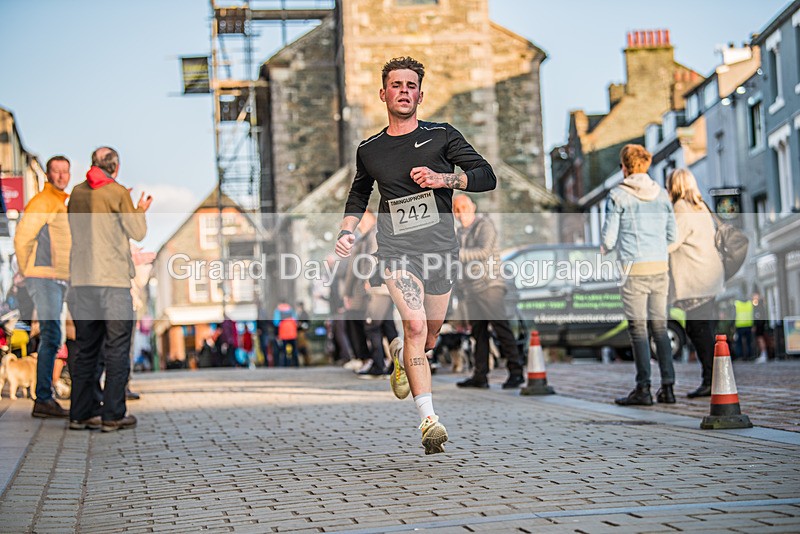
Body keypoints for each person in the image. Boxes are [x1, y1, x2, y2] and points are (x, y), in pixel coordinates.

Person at [334, 56, 496, 454]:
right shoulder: (370, 149)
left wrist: (444, 178)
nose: (404, 91)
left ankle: (399, 355)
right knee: (415, 326)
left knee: (430, 334)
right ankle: (429, 420)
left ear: (420, 95)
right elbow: (359, 193)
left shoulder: (442, 135)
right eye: (397, 85)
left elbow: (486, 176)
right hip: (396, 251)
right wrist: (347, 231)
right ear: (383, 93)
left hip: (440, 251)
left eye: (411, 86)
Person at [67, 147, 151, 431]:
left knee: (86, 348)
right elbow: (137, 231)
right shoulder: (117, 192)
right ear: (115, 167)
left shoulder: (76, 193)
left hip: (81, 281)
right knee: (117, 347)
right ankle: (113, 414)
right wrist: (139, 209)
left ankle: (81, 413)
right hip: (112, 282)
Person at [601, 144, 676, 406]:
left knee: (639, 330)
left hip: (633, 270)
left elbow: (609, 239)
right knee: (660, 328)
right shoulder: (662, 195)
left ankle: (643, 388)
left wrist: (607, 249)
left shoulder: (618, 195)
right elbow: (672, 235)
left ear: (625, 167)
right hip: (660, 267)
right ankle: (668, 387)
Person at [14, 155, 72, 418]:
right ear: (48, 175)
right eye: (56, 171)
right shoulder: (43, 201)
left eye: (65, 171)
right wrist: (27, 270)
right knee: (51, 335)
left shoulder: (61, 202)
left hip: (57, 278)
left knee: (54, 335)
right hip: (43, 276)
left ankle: (45, 396)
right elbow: (22, 236)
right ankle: (43, 398)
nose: (61, 176)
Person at [452, 195, 524, 389]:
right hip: (471, 289)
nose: (461, 212)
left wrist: (455, 253)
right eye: (457, 209)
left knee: (501, 328)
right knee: (478, 332)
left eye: (464, 207)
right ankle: (480, 376)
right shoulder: (458, 233)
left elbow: (483, 252)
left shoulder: (485, 225)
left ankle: (516, 372)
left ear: (473, 207)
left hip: (490, 285)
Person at [665, 168, 725, 398]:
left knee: (698, 329)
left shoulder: (681, 208)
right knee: (703, 328)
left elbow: (671, 242)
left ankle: (711, 380)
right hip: (710, 277)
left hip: (696, 279)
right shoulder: (701, 206)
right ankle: (713, 379)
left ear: (674, 186)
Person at [273, 301, 298, 367]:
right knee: (294, 350)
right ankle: (296, 363)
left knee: (284, 350)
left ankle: (286, 364)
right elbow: (296, 321)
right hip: (292, 332)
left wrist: (276, 334)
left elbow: (276, 323)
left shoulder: (278, 310)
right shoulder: (291, 309)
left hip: (283, 333)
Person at [734, 295, 754, 360]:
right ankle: (750, 356)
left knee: (739, 342)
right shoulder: (750, 304)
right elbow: (753, 314)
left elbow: (734, 315)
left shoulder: (737, 304)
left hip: (739, 325)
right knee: (749, 342)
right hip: (748, 325)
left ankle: (740, 356)